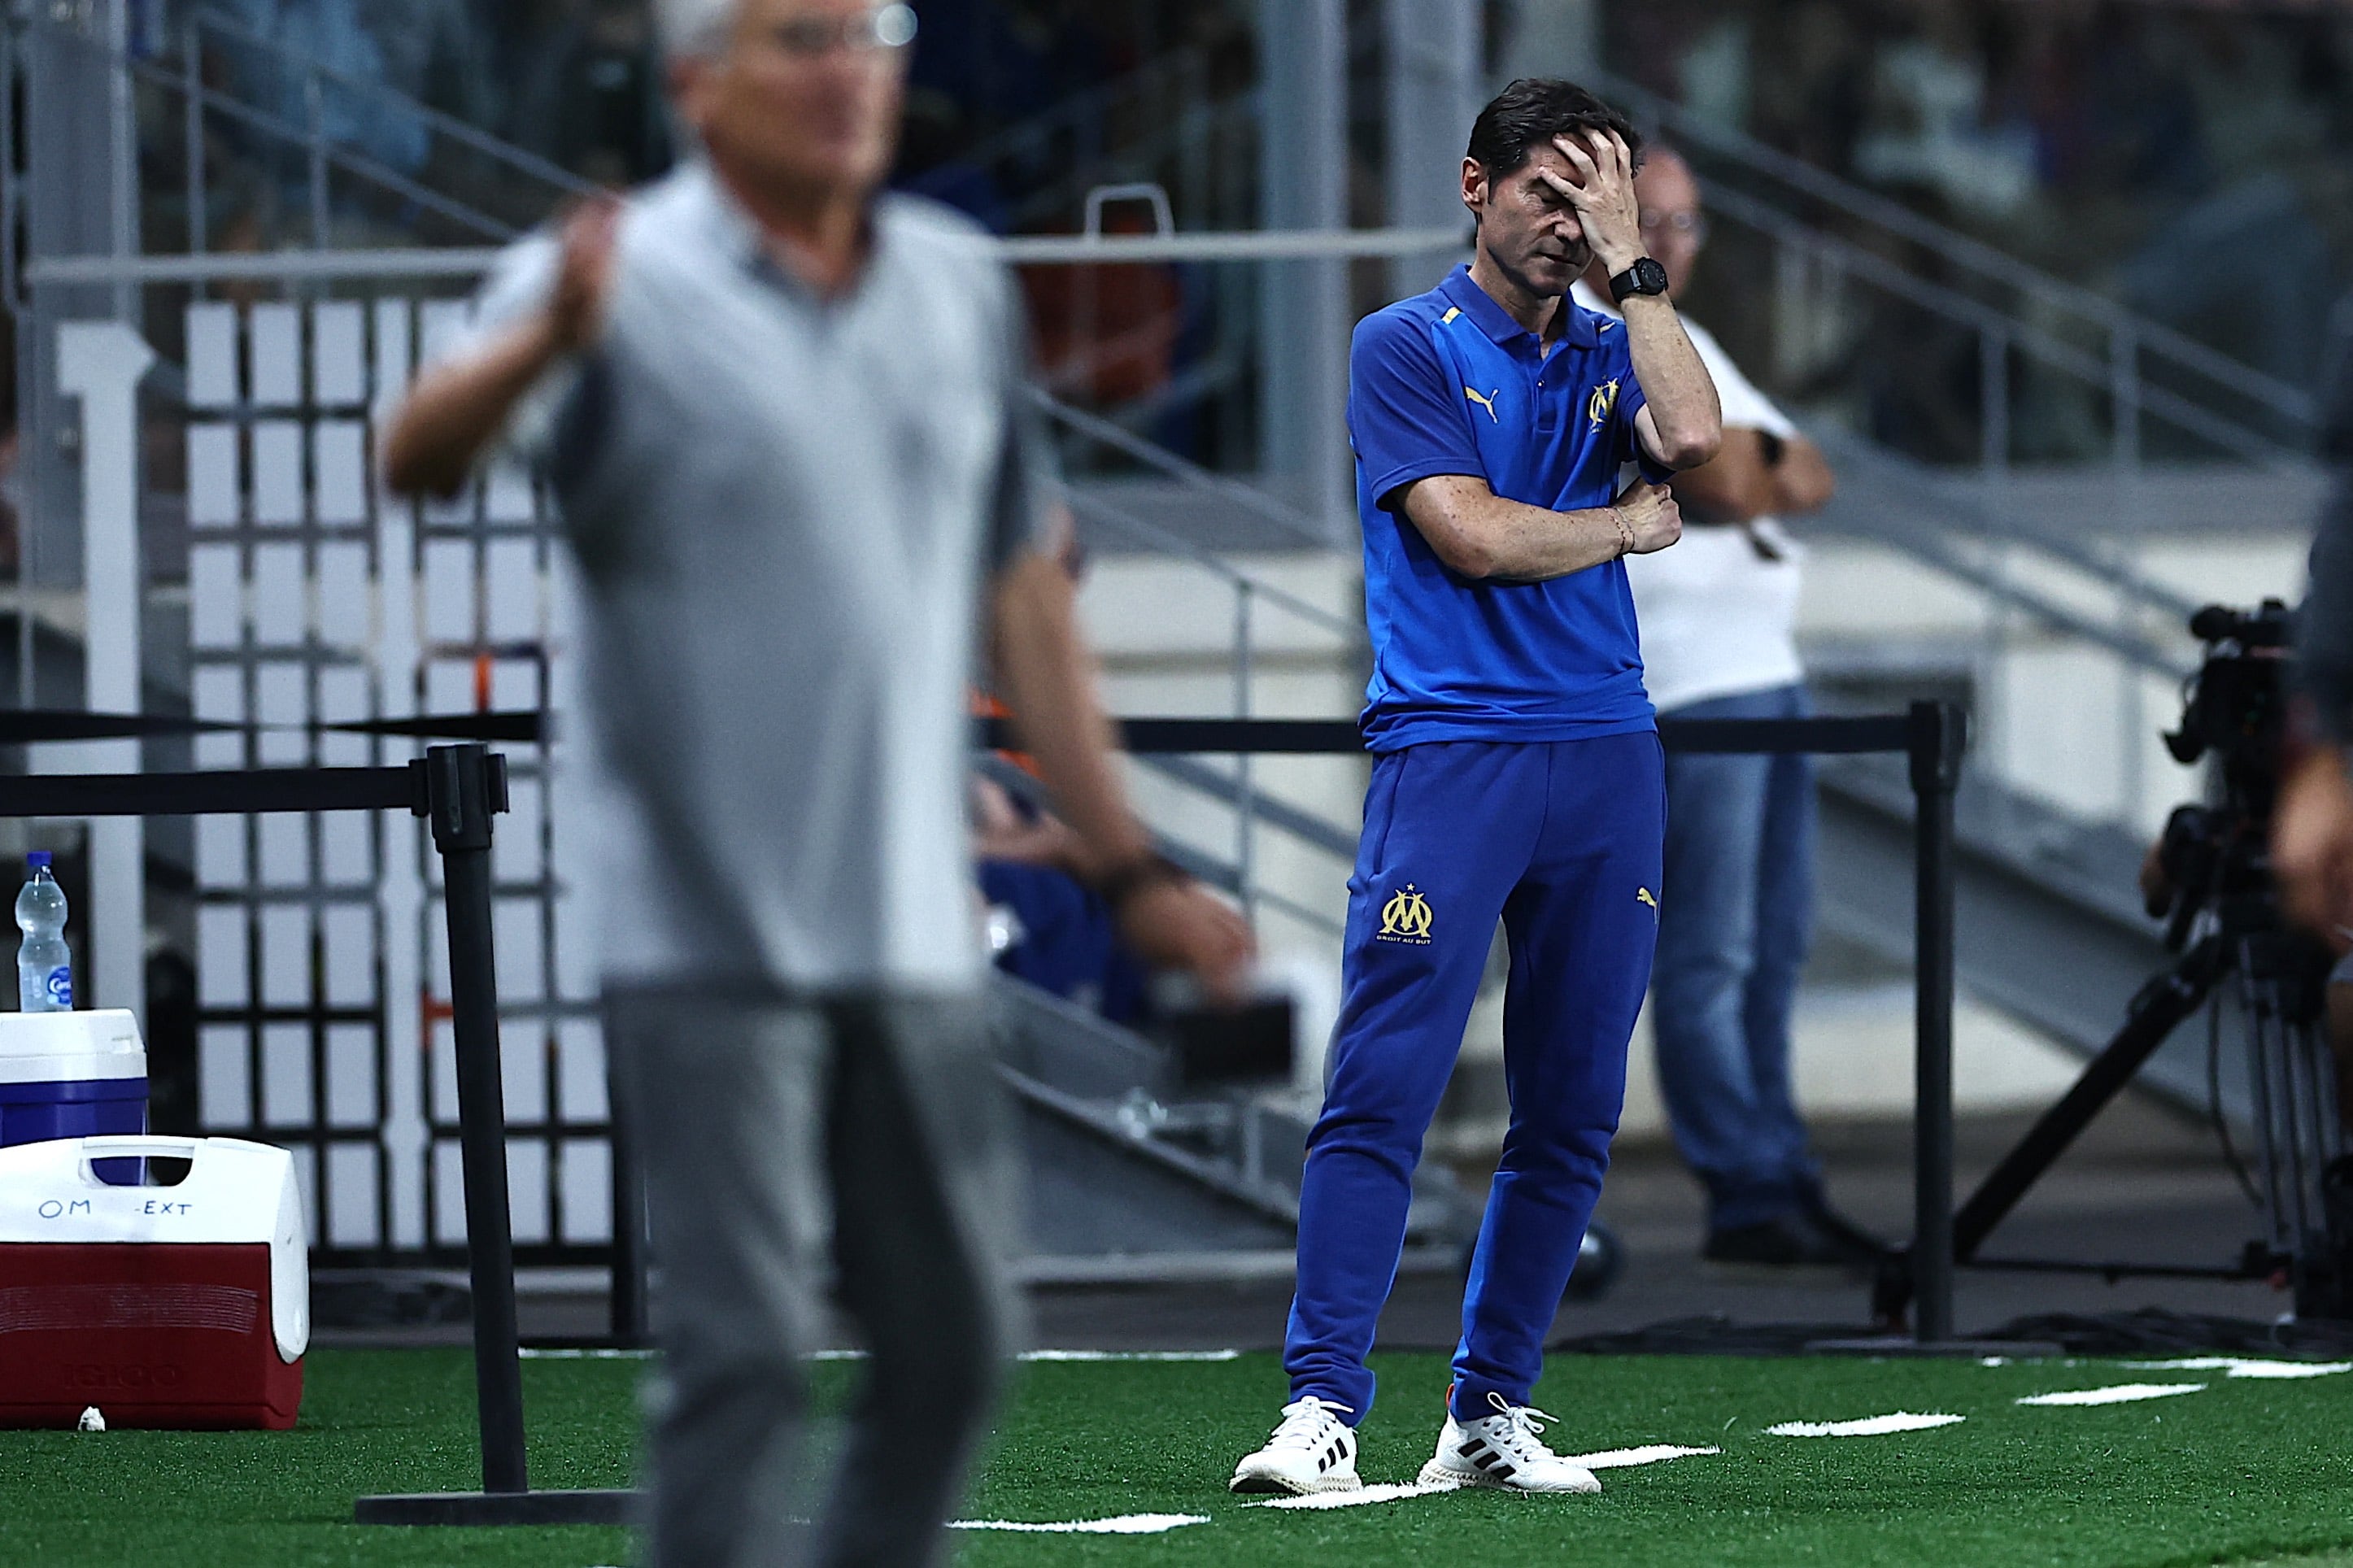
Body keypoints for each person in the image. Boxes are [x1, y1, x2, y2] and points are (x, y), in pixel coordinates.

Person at [379, 2, 1253, 1563]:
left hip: (913, 918)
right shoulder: (609, 272)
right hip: (701, 929)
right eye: (802, 38)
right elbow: (417, 459)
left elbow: (1025, 595)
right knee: (746, 1356)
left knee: (959, 1342)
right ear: (695, 82)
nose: (850, 70)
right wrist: (543, 345)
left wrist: (1133, 872)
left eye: (875, 31)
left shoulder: (952, 282)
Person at [1229, 78, 1719, 1499]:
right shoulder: (1401, 344)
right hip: (1452, 752)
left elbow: (1691, 440)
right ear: (1473, 186)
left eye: (1594, 202)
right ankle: (1320, 1408)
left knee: (1569, 1110)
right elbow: (1473, 539)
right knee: (1380, 1087)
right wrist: (1621, 526)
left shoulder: (1614, 341)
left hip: (1606, 754)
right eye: (1546, 196)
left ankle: (1488, 1410)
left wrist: (1639, 270)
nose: (1567, 227)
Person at [1571, 148, 1880, 1269]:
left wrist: (1751, 460)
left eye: (1689, 223)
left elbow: (1806, 473)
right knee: (1708, 954)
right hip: (1690, 691)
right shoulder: (1601, 332)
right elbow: (1732, 478)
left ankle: (1778, 1167)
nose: (1675, 243)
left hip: (1761, 677)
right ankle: (1743, 1185)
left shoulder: (1692, 346)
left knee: (1773, 948)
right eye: (1655, 219)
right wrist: (1749, 460)